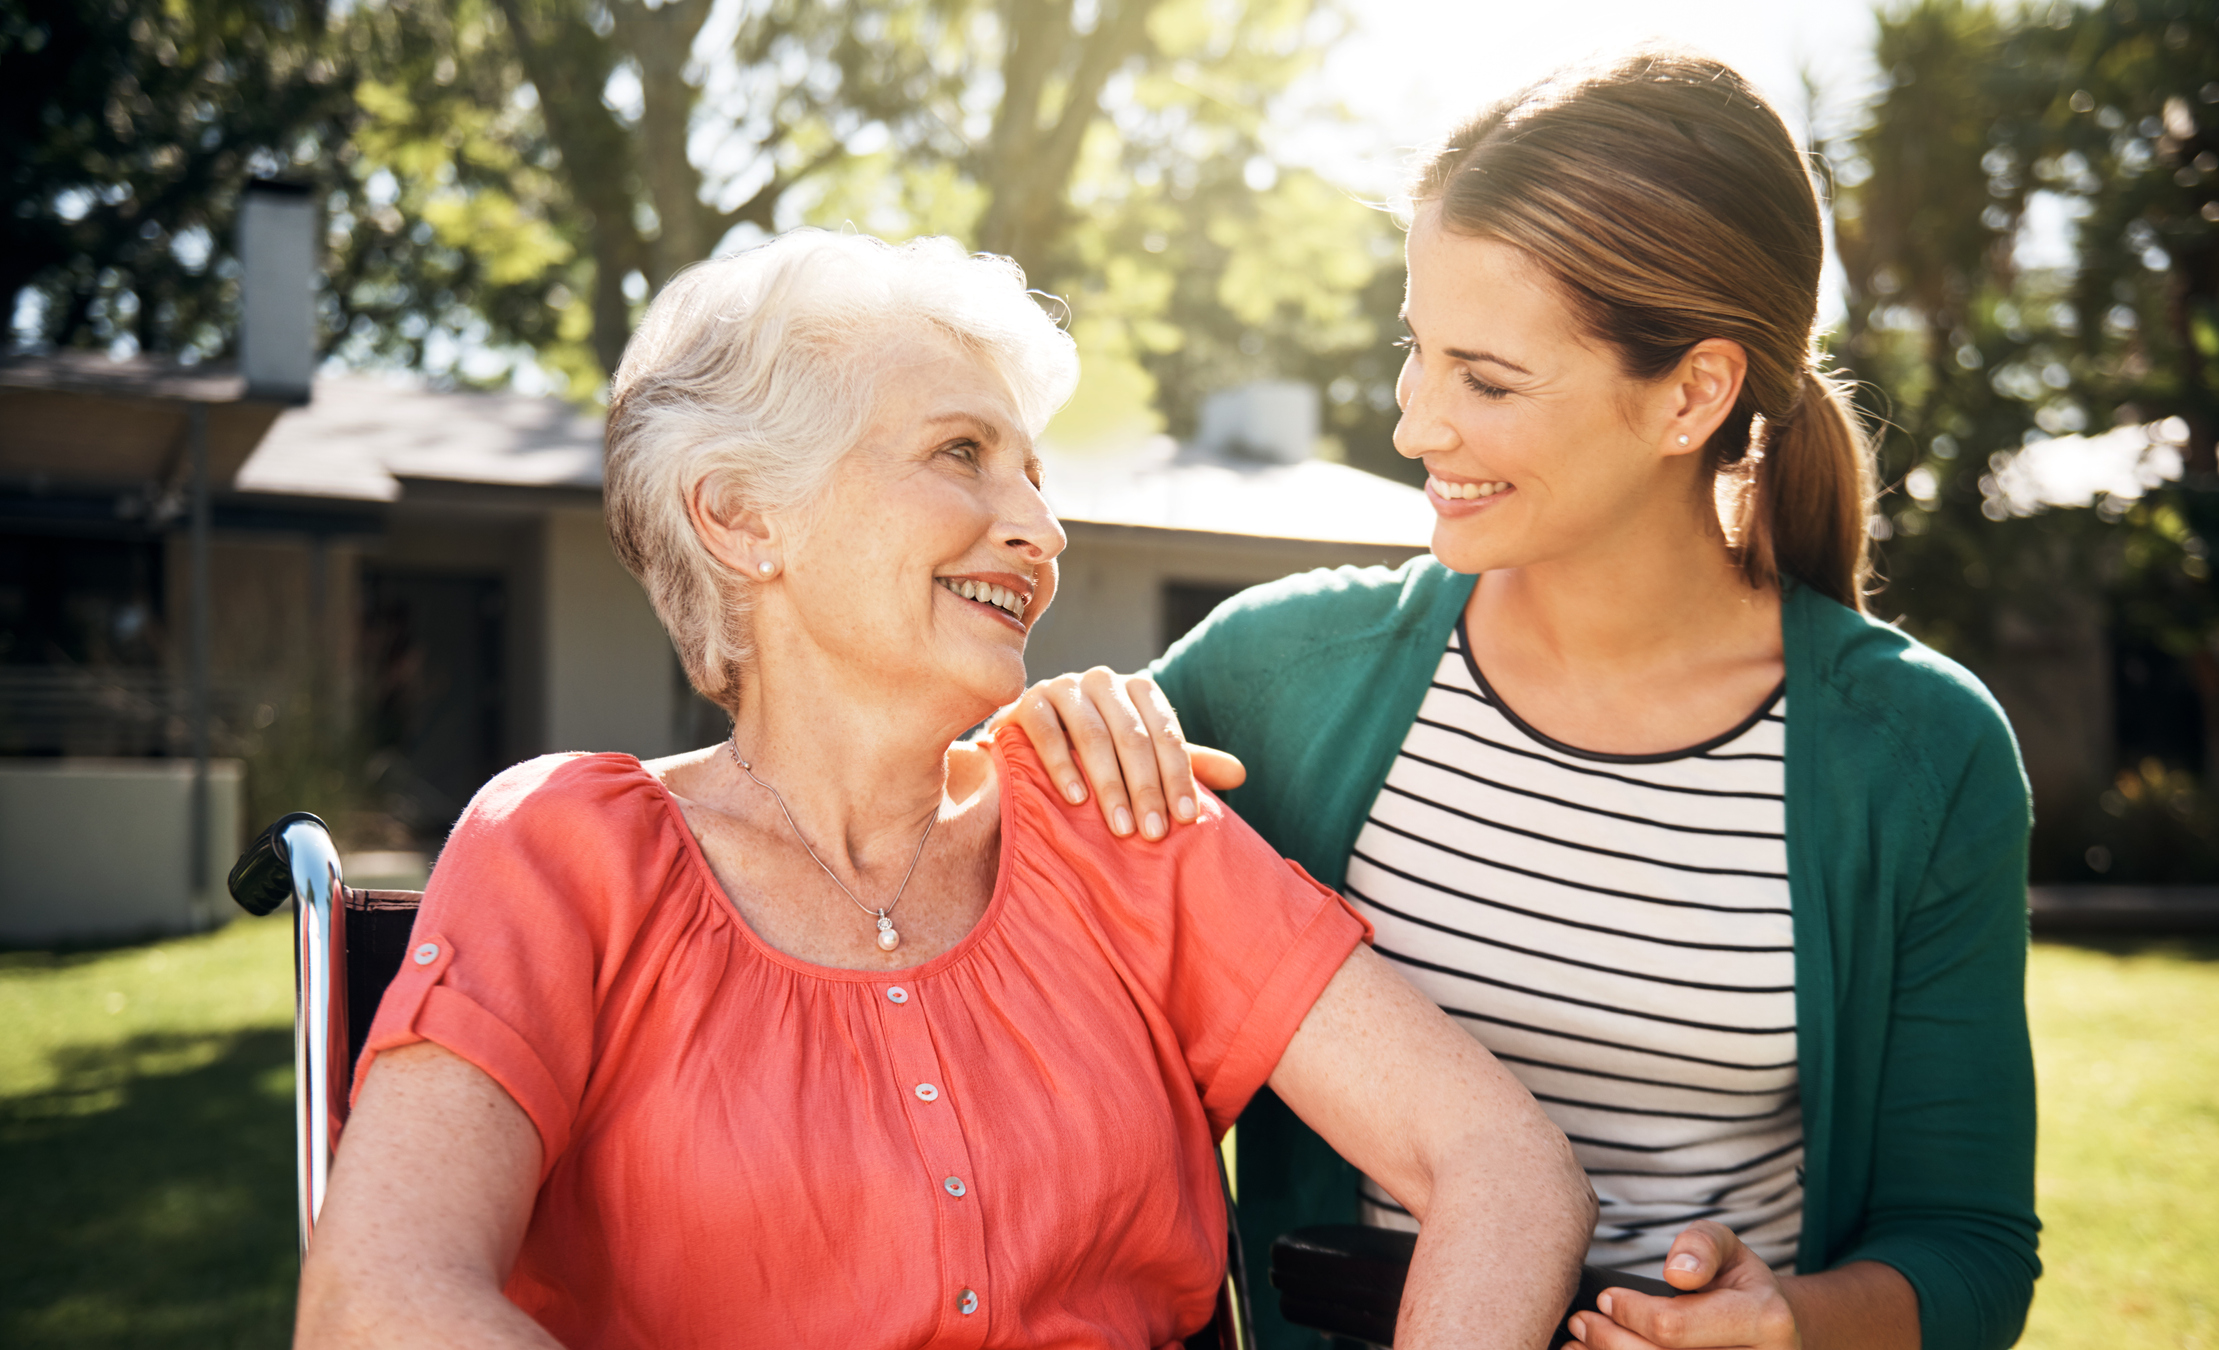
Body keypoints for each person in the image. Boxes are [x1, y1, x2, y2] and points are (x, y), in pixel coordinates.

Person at [293, 230, 1596, 1350]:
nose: (1042, 524)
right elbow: (379, 1297)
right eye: (961, 453)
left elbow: (1504, 1166)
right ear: (745, 516)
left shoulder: (1119, 822)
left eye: (1034, 470)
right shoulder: (567, 853)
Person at [1004, 53, 2039, 1350]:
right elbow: (975, 953)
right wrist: (1059, 738)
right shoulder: (1270, 678)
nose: (1414, 424)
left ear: (1692, 394)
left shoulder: (1921, 756)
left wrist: (1787, 1322)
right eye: (1417, 353)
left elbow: (1971, 1246)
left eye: (1487, 380)